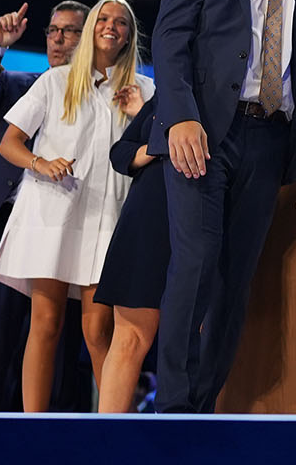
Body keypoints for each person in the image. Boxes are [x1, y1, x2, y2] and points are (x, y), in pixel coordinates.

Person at [152, 0, 296, 413]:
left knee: (234, 282)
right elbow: (170, 42)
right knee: (197, 262)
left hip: (270, 141)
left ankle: (200, 409)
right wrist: (180, 116)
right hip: (205, 136)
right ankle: (171, 406)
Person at [0, 0, 151, 410]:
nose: (111, 26)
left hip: (108, 220)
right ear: (92, 27)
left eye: (121, 21)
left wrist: (140, 113)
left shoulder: (145, 89)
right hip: (52, 214)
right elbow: (9, 144)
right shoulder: (55, 81)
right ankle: (34, 428)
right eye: (103, 18)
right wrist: (40, 163)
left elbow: (156, 150)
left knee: (98, 330)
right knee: (45, 324)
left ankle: (116, 427)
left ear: (129, 35)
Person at [0, 0, 91, 410]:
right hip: (4, 225)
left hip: (60, 230)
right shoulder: (17, 84)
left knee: (53, 344)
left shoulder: (97, 98)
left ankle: (38, 440)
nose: (58, 39)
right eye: (52, 30)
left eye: (70, 32)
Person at [93, 92, 165, 413]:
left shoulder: (228, 93)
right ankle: (107, 443)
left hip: (206, 210)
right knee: (130, 338)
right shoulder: (163, 96)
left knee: (197, 340)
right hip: (149, 211)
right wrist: (154, 149)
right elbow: (121, 152)